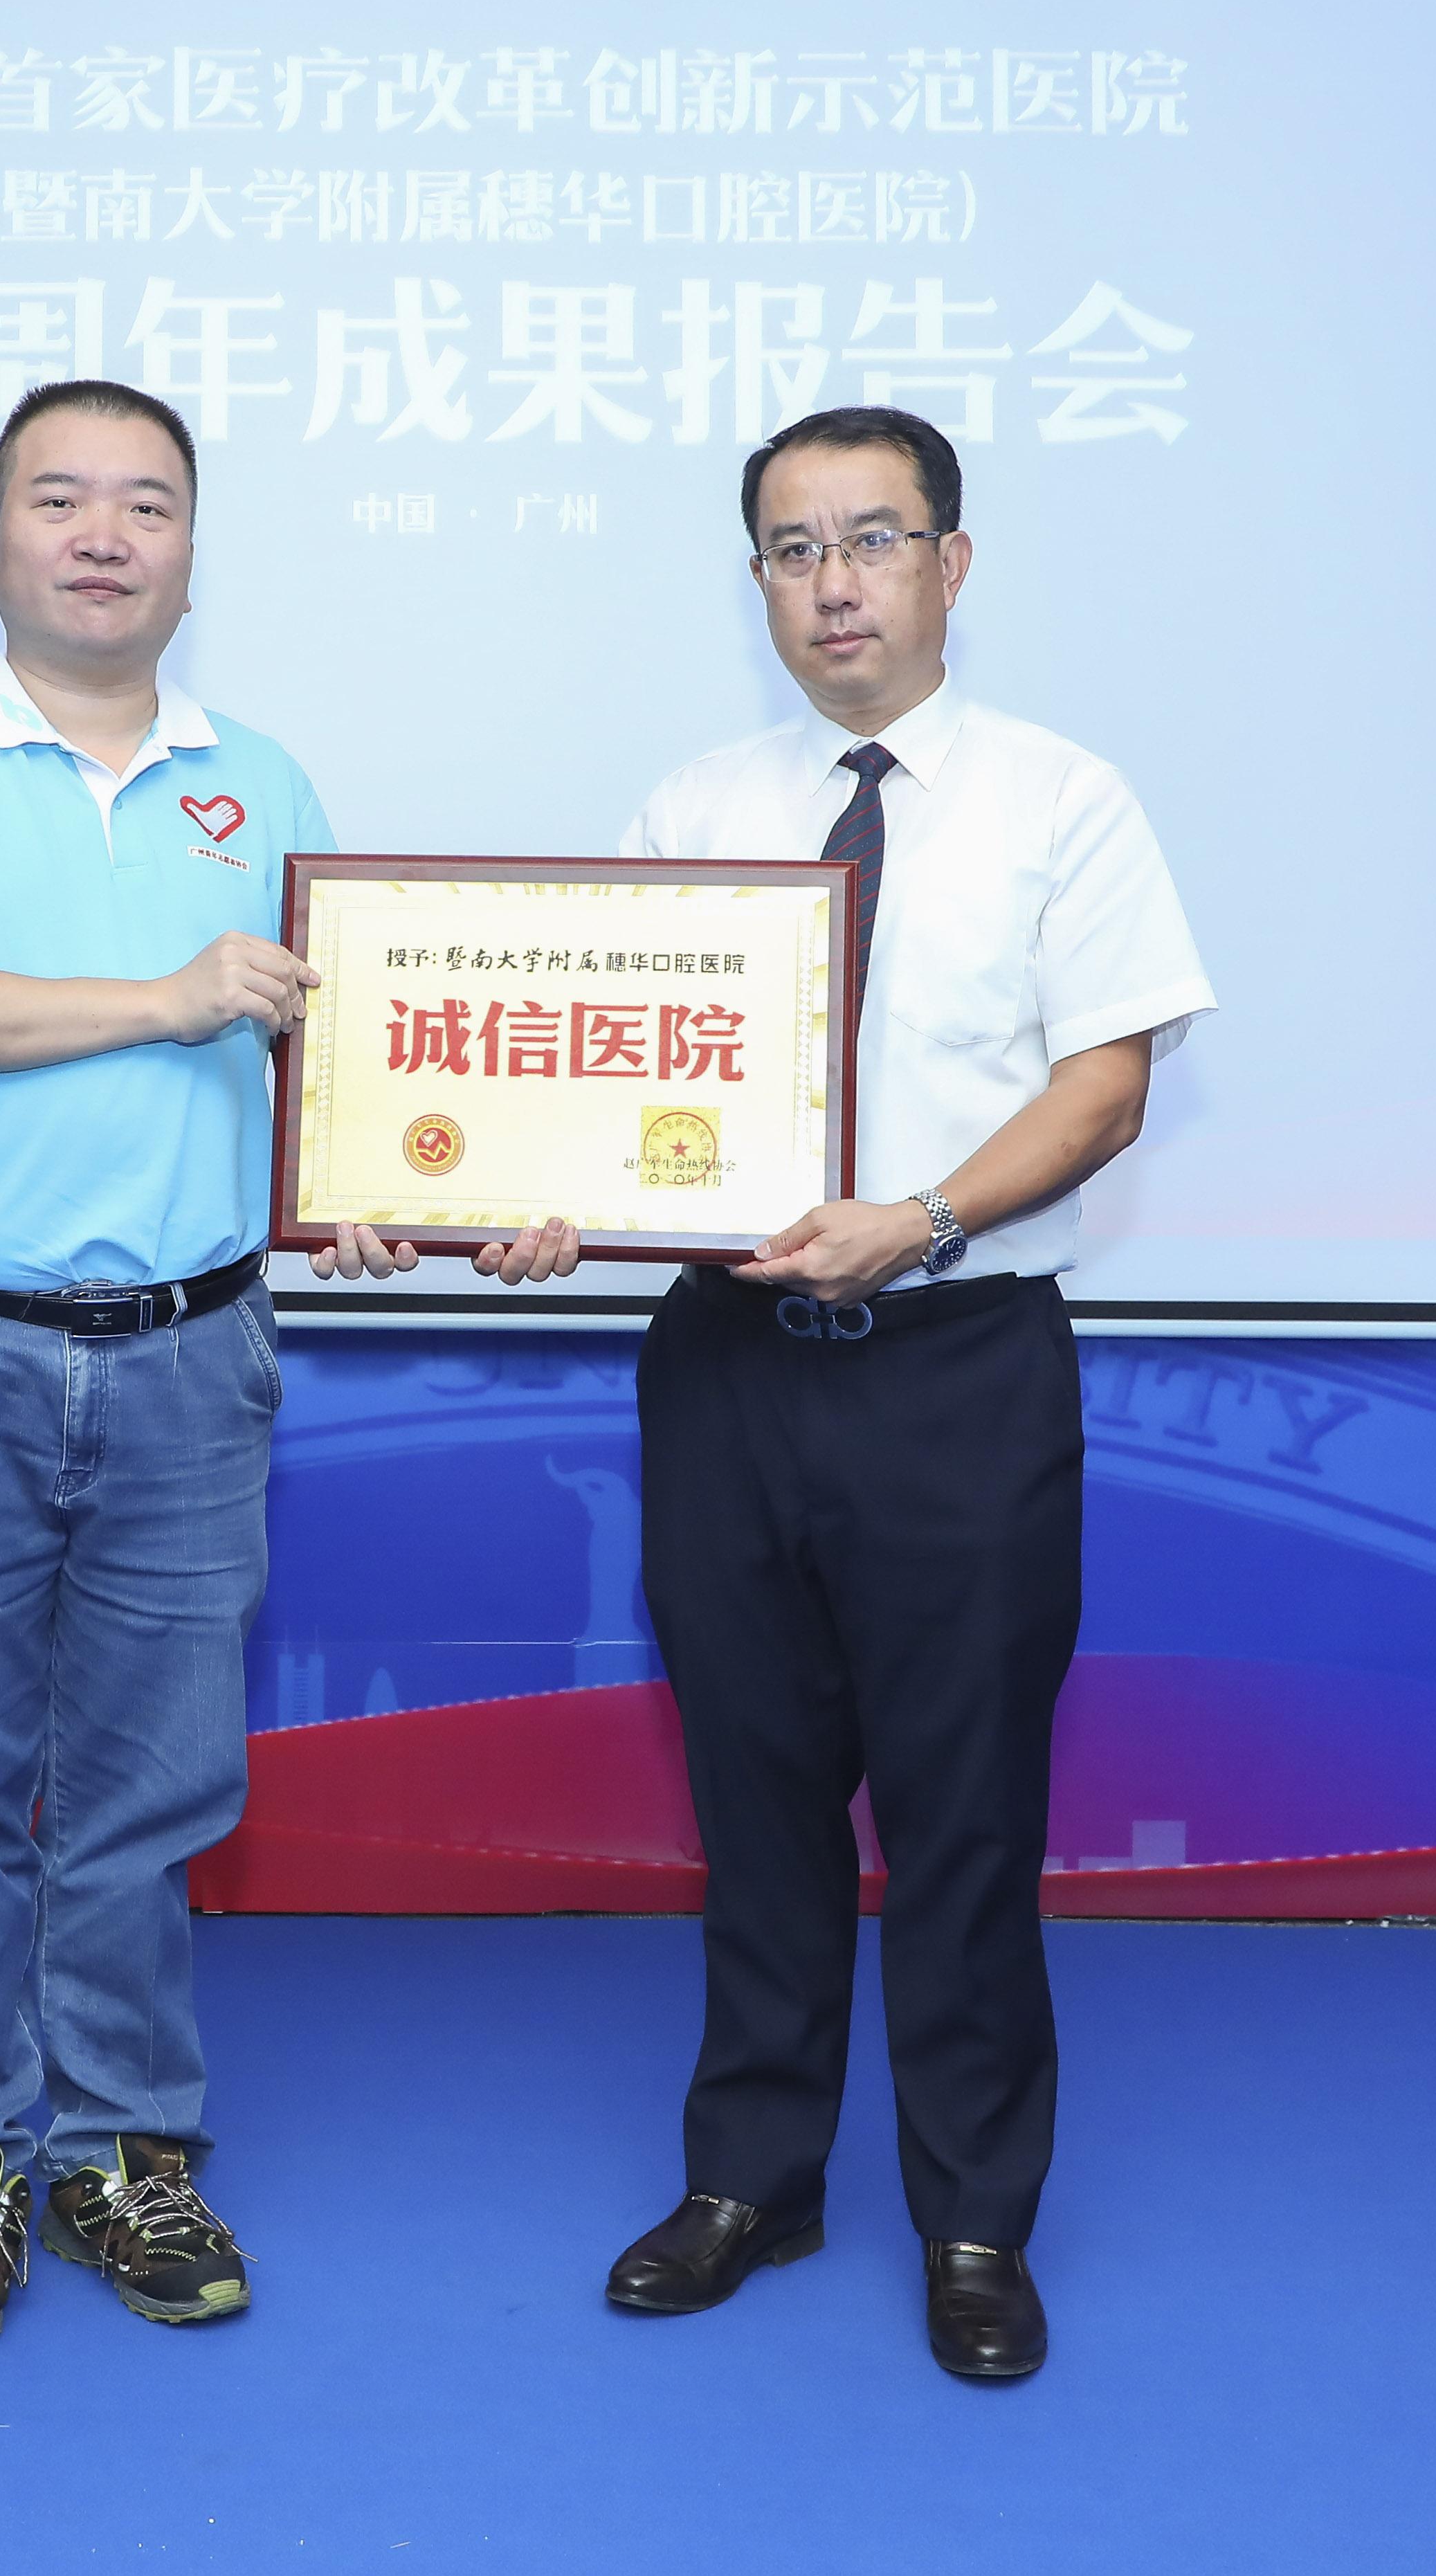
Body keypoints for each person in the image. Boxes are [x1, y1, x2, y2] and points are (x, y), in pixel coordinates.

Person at [0, 377, 565, 2359]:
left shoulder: (265, 782)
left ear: (193, 559)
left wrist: (401, 1193)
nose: (103, 534)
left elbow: (345, 1065)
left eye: (146, 503)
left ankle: (124, 2147)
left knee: (149, 1796)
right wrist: (167, 999)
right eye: (60, 500)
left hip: (192, 1361)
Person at [596, 404, 1213, 2383]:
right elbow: (621, 1087)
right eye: (793, 549)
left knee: (962, 1814)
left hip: (959, 1363)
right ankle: (751, 2182)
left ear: (954, 561)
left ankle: (974, 2221)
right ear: (757, 585)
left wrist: (923, 1218)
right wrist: (547, 1200)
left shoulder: (1061, 799)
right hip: (727, 1366)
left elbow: (1104, 1086)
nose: (834, 582)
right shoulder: (695, 810)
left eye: (873, 538)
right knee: (755, 1794)